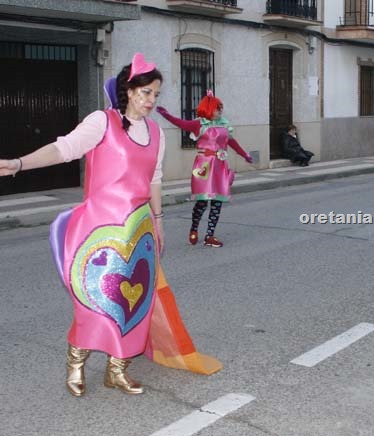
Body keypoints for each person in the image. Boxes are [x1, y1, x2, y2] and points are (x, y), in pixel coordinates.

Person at [0, 53, 221, 397]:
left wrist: (159, 222)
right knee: (94, 302)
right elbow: (64, 149)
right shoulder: (102, 122)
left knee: (134, 305)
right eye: (146, 92)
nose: (151, 100)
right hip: (98, 234)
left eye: (156, 95)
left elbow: (156, 180)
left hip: (138, 233)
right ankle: (76, 362)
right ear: (129, 90)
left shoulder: (156, 133)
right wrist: (18, 164)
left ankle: (117, 369)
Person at [156, 91, 253, 248]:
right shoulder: (199, 124)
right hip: (204, 166)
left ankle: (210, 236)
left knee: (217, 201)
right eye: (217, 108)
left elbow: (232, 143)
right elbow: (181, 123)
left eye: (221, 107)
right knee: (202, 201)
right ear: (208, 109)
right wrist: (166, 115)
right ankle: (194, 228)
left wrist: (244, 155)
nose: (220, 110)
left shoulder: (224, 124)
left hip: (220, 165)